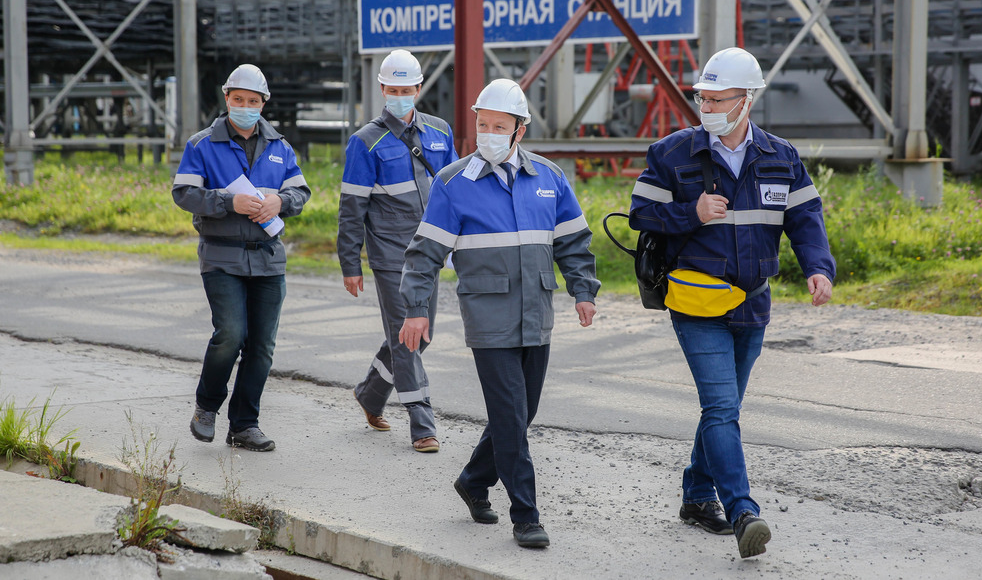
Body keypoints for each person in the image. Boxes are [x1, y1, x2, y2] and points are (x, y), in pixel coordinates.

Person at [629, 47, 835, 559]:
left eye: (719, 99)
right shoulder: (671, 153)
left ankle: (697, 497)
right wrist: (690, 212)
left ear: (747, 101)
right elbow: (639, 216)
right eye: (703, 97)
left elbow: (806, 219)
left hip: (753, 305)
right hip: (695, 303)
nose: (709, 107)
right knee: (721, 407)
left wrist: (818, 267)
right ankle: (743, 510)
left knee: (724, 408)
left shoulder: (780, 156)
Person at [398, 79, 599, 549]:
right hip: (488, 318)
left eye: (498, 126)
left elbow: (572, 241)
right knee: (510, 417)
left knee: (520, 414)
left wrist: (583, 290)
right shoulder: (453, 183)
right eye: (482, 123)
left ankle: (473, 480)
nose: (488, 132)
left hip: (537, 315)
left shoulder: (549, 178)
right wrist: (415, 310)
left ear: (519, 130)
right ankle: (525, 515)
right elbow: (424, 253)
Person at [173, 63, 311, 452]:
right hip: (221, 257)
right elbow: (183, 193)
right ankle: (206, 406)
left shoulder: (279, 147)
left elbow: (301, 193)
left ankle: (244, 425)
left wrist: (280, 201)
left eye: (253, 101)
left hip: (268, 258)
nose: (245, 107)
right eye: (238, 100)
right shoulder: (202, 144)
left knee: (262, 346)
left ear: (264, 103)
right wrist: (227, 201)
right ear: (226, 99)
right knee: (231, 334)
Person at [338, 49, 458, 453]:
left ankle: (370, 395)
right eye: (393, 89)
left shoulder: (441, 132)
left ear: (419, 88)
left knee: (420, 336)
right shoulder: (365, 142)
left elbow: (456, 193)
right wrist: (350, 262)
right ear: (382, 89)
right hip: (391, 255)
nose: (400, 95)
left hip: (430, 254)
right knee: (409, 335)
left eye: (407, 89)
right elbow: (352, 208)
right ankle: (422, 424)